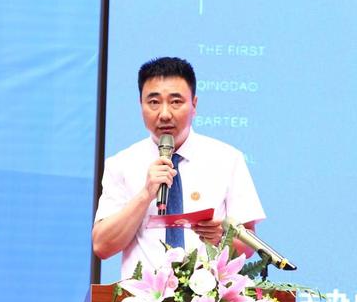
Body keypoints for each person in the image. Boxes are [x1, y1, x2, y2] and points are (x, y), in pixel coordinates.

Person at [92, 57, 265, 278]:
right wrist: (145, 194)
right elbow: (102, 246)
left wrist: (222, 237)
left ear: (194, 105)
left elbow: (248, 247)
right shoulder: (121, 164)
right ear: (140, 105)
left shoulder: (227, 159)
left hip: (208, 297)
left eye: (175, 102)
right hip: (142, 297)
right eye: (154, 102)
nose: (164, 114)